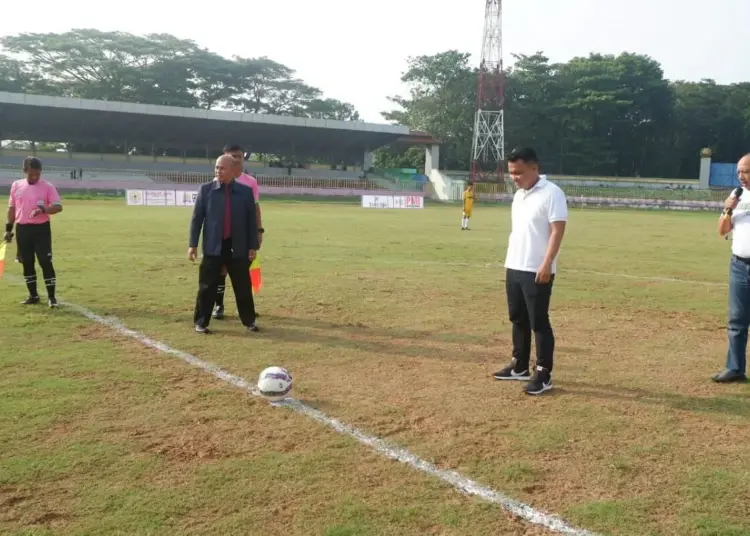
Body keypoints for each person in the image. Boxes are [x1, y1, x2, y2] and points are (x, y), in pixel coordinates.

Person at [493, 147, 568, 395]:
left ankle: (543, 373)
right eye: (511, 173)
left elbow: (557, 230)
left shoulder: (552, 193)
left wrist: (547, 263)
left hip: (537, 269)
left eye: (519, 172)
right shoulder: (519, 195)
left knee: (539, 322)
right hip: (514, 264)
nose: (514, 177)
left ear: (534, 168)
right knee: (517, 318)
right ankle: (519, 365)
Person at [188, 154, 259, 333]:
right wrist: (193, 244)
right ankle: (201, 322)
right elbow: (197, 219)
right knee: (207, 286)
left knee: (243, 286)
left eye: (222, 168)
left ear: (233, 171)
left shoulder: (245, 192)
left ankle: (249, 321)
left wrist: (252, 246)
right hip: (213, 246)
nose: (218, 171)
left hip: (238, 247)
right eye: (217, 168)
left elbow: (251, 221)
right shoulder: (206, 190)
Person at [212, 144, 264, 320]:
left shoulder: (250, 182)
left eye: (239, 156)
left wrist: (259, 231)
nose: (236, 160)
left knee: (243, 272)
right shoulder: (216, 182)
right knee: (221, 271)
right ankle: (218, 305)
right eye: (232, 156)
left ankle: (246, 308)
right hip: (223, 236)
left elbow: (255, 209)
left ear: (243, 159)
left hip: (243, 237)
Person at [4, 157, 63, 308]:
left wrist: (44, 209)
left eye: (37, 174)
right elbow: (12, 209)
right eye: (31, 174)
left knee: (45, 262)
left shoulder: (47, 187)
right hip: (22, 229)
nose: (35, 177)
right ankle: (33, 296)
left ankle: (52, 297)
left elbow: (58, 207)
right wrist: (8, 230)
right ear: (24, 172)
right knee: (27, 263)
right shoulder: (16, 186)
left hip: (41, 229)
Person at [714, 153, 750, 383]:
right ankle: (735, 368)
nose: (741, 176)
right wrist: (727, 209)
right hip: (739, 265)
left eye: (745, 171)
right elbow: (722, 230)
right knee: (737, 321)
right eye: (738, 171)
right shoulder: (736, 196)